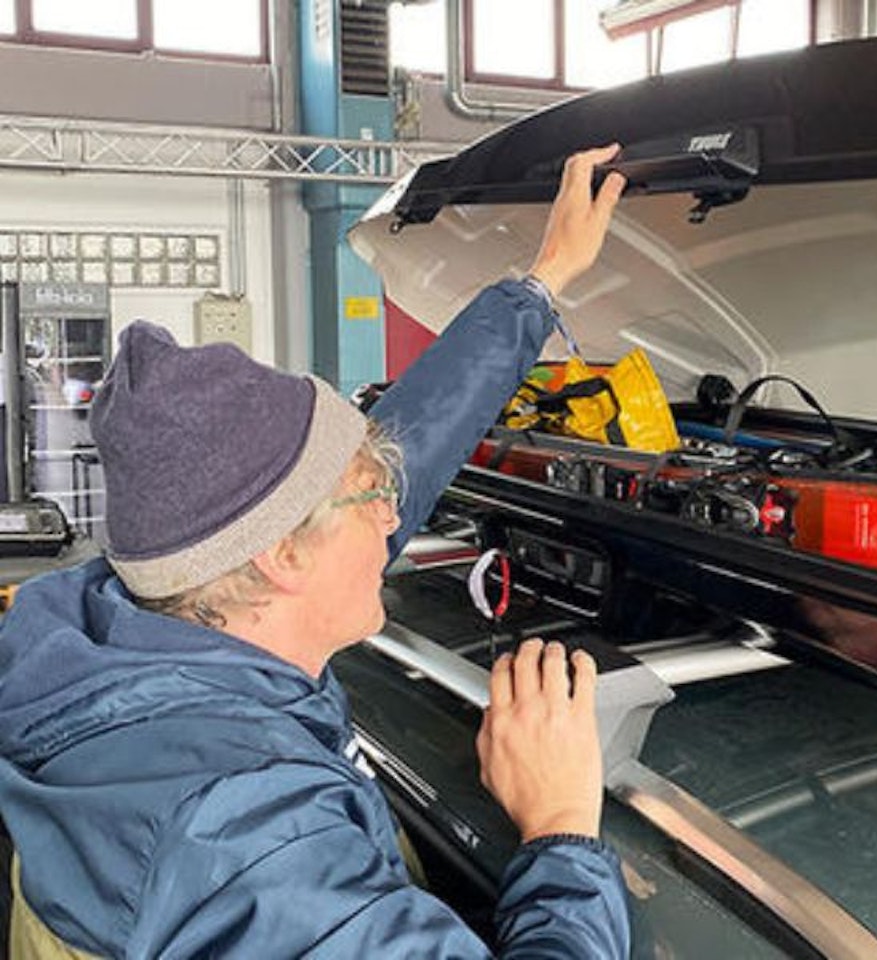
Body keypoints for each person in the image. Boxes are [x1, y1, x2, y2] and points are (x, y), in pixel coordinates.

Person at [0, 146, 631, 958]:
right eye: (373, 497)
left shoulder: (138, 625)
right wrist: (561, 831)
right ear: (281, 558)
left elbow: (409, 447)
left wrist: (539, 286)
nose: (394, 520)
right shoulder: (250, 843)